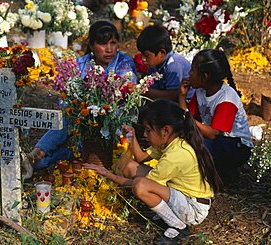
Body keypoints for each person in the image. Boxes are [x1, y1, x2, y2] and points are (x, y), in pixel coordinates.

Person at [84, 99, 223, 243]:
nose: (145, 134)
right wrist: (132, 137)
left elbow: (140, 184)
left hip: (193, 208)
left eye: (148, 130)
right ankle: (166, 214)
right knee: (130, 167)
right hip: (182, 194)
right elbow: (142, 158)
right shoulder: (171, 141)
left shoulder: (177, 155)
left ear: (165, 130)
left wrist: (108, 175)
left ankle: (178, 226)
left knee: (140, 186)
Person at [22, 21, 137, 178]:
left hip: (111, 124)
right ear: (91, 45)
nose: (109, 49)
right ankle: (35, 156)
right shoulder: (80, 64)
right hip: (82, 123)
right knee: (69, 118)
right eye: (103, 44)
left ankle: (36, 157)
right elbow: (67, 101)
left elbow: (125, 91)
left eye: (113, 43)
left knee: (74, 145)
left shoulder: (123, 63)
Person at [178, 49, 253, 185]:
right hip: (217, 141)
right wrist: (182, 96)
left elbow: (213, 133)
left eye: (192, 70)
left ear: (204, 77)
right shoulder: (201, 91)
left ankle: (223, 173)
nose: (189, 74)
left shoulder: (226, 98)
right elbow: (189, 114)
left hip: (236, 146)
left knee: (193, 144)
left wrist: (186, 118)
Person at [134, 24, 192, 101]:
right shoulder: (154, 64)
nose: (143, 59)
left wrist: (142, 90)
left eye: (146, 55)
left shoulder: (174, 65)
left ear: (161, 53)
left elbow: (172, 96)